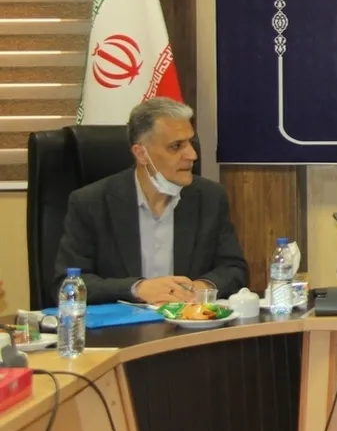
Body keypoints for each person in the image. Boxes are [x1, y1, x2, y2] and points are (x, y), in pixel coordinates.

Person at [54, 98, 249, 305]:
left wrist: (201, 287)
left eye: (190, 143)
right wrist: (136, 289)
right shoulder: (91, 203)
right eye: (176, 146)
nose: (192, 155)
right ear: (141, 154)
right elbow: (67, 283)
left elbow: (234, 269)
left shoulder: (210, 197)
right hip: (124, 324)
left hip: (187, 320)